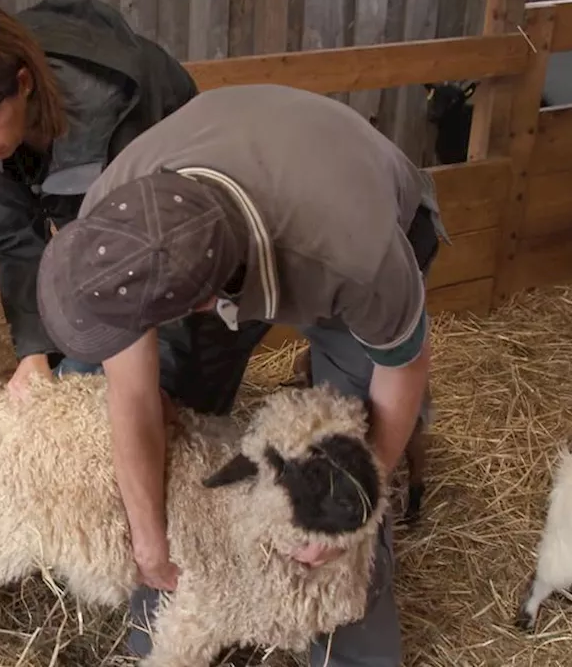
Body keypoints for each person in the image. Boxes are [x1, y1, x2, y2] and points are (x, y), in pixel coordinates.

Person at [34, 83, 448, 666]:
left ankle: (353, 652)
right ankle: (163, 639)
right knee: (176, 441)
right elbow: (133, 396)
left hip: (349, 240)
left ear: (196, 305)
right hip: (231, 234)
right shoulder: (118, 221)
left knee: (336, 479)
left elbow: (403, 365)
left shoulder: (357, 254)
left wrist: (352, 500)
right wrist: (151, 546)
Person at [0, 0, 209, 400]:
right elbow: (13, 237)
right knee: (75, 380)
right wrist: (33, 352)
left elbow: (152, 257)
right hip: (93, 216)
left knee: (177, 397)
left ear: (24, 83)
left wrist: (156, 388)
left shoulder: (116, 106)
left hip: (185, 234)